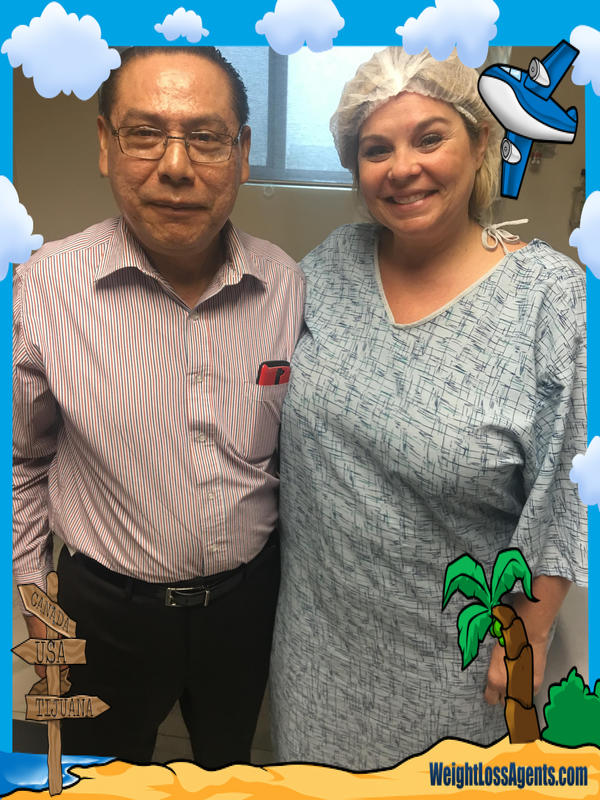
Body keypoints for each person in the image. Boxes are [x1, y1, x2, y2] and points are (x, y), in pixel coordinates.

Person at [270, 47, 586, 769]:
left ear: (481, 141)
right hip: (317, 646)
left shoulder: (551, 299)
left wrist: (531, 636)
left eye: (429, 138)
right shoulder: (332, 264)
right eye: (376, 149)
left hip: (460, 665)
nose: (402, 168)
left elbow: (570, 492)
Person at [13, 46, 304, 766]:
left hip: (244, 606)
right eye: (144, 134)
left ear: (241, 153)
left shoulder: (286, 285)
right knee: (96, 776)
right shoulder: (44, 288)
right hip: (101, 610)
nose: (176, 166)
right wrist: (33, 598)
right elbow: (20, 460)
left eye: (206, 137)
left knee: (227, 770)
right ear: (105, 145)